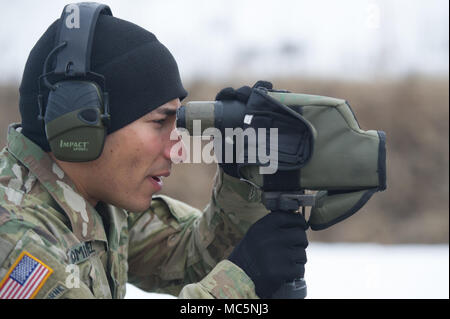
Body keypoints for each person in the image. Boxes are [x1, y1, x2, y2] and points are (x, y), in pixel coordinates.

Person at [0, 3, 308, 299]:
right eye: (160, 122)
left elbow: (193, 257)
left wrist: (239, 175)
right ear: (79, 124)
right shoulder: (12, 240)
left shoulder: (98, 204)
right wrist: (238, 284)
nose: (179, 152)